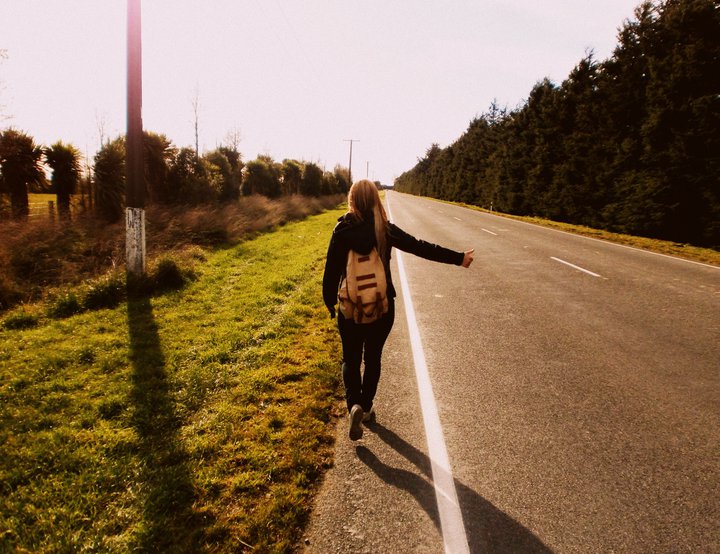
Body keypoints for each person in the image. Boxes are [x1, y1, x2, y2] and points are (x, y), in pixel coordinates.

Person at [323, 180, 474, 440]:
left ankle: (354, 405)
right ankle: (366, 407)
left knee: (350, 358)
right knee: (373, 358)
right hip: (382, 308)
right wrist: (458, 257)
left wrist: (330, 303)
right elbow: (420, 246)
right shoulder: (385, 229)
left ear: (352, 200)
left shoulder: (342, 230)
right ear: (374, 200)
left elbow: (331, 272)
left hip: (351, 307)